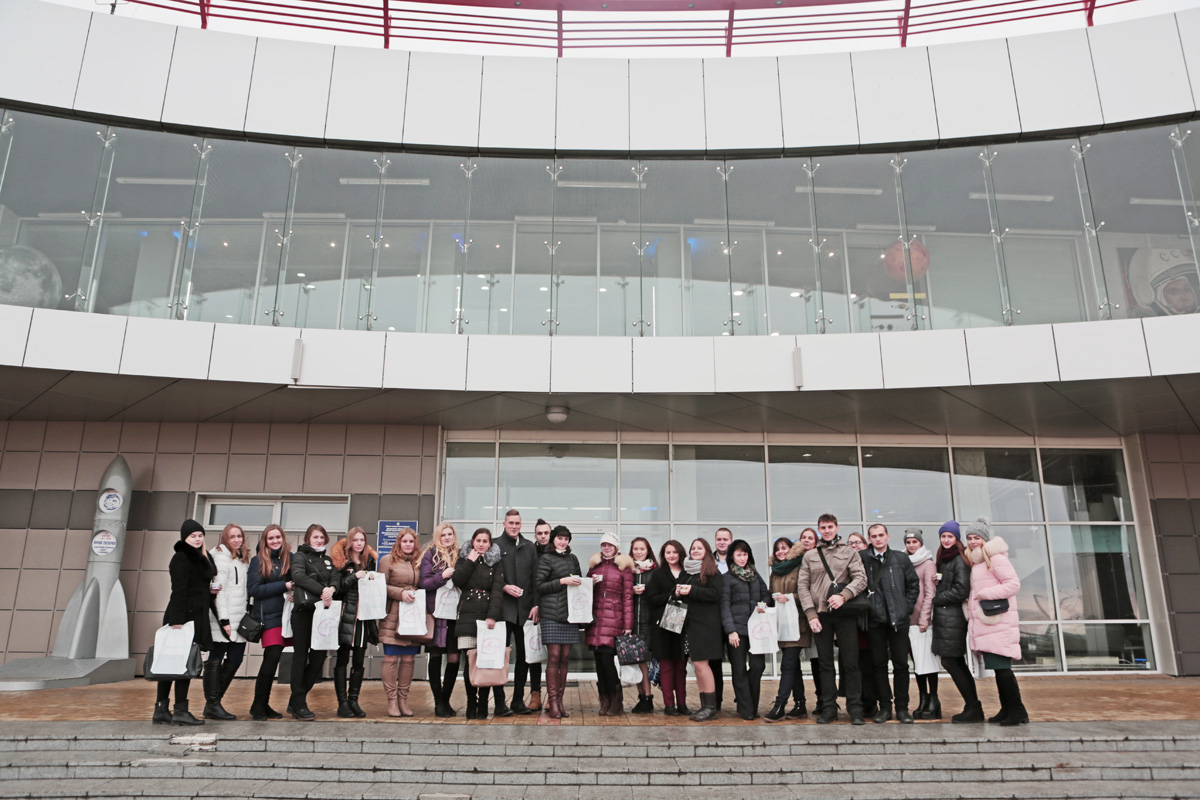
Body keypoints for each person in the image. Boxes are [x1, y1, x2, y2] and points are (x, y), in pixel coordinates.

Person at [798, 513, 867, 725]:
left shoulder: (849, 552)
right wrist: (811, 614)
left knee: (851, 662)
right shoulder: (810, 555)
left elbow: (861, 578)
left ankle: (855, 709)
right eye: (823, 527)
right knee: (825, 664)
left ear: (837, 527)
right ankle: (829, 708)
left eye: (830, 527)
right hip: (821, 616)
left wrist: (843, 595)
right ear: (819, 529)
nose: (827, 531)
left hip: (844, 614)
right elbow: (803, 586)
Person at [964, 517, 1028, 726]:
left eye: (976, 538)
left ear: (985, 539)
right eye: (969, 538)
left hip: (998, 623)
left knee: (1003, 670)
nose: (973, 541)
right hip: (989, 623)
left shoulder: (995, 558)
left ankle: (1017, 711)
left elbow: (1013, 584)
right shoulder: (978, 561)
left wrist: (984, 594)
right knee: (998, 670)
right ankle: (1007, 708)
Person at [153, 519, 217, 726]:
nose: (197, 539)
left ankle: (164, 710)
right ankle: (175, 710)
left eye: (200, 535)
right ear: (185, 538)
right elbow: (178, 590)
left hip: (194, 617)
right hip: (182, 618)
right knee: (177, 664)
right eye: (192, 536)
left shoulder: (203, 557)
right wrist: (177, 621)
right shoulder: (181, 557)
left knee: (178, 663)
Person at [862, 524, 919, 724]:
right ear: (869, 539)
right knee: (879, 665)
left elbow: (913, 585)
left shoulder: (900, 558)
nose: (878, 539)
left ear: (887, 536)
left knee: (901, 665)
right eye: (873, 536)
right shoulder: (863, 558)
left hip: (899, 621)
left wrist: (906, 607)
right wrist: (868, 608)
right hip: (875, 620)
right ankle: (885, 707)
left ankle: (902, 708)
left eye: (881, 535)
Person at [931, 520, 983, 723]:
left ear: (956, 538)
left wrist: (937, 598)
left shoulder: (958, 559)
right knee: (955, 661)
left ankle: (973, 706)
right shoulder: (944, 558)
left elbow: (962, 590)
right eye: (943, 536)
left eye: (950, 536)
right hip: (946, 617)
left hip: (953, 618)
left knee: (950, 661)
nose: (946, 540)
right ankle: (973, 707)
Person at [287, 523, 339, 721]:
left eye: (321, 537)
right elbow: (298, 576)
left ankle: (295, 699)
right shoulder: (300, 556)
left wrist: (332, 588)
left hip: (322, 614)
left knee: (318, 658)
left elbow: (335, 578)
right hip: (303, 612)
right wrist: (322, 590)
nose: (318, 540)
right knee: (300, 657)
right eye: (315, 537)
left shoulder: (327, 560)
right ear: (308, 538)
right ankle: (299, 704)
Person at [452, 528, 505, 720]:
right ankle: (471, 702)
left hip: (487, 617)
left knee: (485, 662)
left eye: (485, 541)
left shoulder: (495, 562)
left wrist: (492, 616)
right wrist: (470, 561)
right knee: (470, 662)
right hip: (467, 615)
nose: (481, 544)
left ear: (490, 544)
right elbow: (457, 580)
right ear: (473, 541)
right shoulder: (464, 559)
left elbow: (498, 590)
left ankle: (483, 702)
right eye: (478, 540)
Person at [534, 524, 582, 719]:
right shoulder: (546, 558)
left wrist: (585, 582)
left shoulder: (573, 559)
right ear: (553, 539)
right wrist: (562, 581)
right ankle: (552, 702)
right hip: (551, 614)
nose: (563, 542)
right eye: (560, 538)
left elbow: (578, 583)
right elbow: (539, 585)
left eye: (566, 538)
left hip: (570, 614)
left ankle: (560, 702)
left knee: (565, 657)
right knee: (553, 656)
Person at [720, 539, 771, 720]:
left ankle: (749, 703)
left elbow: (766, 594)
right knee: (739, 669)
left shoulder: (754, 575)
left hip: (756, 629)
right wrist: (730, 630)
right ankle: (747, 709)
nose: (742, 558)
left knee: (758, 666)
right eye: (739, 554)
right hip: (737, 631)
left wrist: (762, 605)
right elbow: (724, 605)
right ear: (732, 556)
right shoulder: (727, 578)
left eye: (745, 554)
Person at [330, 526, 378, 718]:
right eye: (356, 540)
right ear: (350, 542)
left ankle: (353, 701)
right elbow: (337, 587)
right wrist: (353, 577)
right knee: (342, 658)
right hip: (346, 615)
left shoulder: (369, 561)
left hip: (363, 616)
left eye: (362, 540)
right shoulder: (342, 561)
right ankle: (342, 703)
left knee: (359, 660)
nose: (359, 543)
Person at [764, 533, 813, 722]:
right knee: (793, 666)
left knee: (787, 664)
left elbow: (808, 592)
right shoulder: (775, 571)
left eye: (784, 548)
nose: (780, 552)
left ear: (791, 549)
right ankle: (800, 704)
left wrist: (790, 598)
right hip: (782, 623)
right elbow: (770, 593)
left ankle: (780, 705)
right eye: (777, 549)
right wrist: (763, 605)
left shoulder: (801, 566)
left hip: (798, 622)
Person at [246, 524, 292, 721]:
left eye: (278, 537)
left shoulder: (288, 559)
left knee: (274, 660)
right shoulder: (258, 560)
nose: (275, 541)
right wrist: (284, 585)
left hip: (286, 617)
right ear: (265, 541)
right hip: (269, 618)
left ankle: (263, 704)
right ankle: (258, 704)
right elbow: (254, 590)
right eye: (271, 538)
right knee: (271, 659)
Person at [495, 508, 538, 716]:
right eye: (510, 523)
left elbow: (536, 579)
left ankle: (518, 700)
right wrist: (504, 587)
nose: (514, 526)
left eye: (517, 523)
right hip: (502, 610)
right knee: (500, 656)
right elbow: (489, 575)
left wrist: (536, 605)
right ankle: (499, 702)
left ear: (521, 525)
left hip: (525, 611)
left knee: (524, 656)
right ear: (504, 524)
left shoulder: (529, 547)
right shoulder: (495, 545)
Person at [586, 531, 634, 716]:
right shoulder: (594, 567)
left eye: (610, 545)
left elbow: (628, 598)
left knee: (607, 661)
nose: (607, 548)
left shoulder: (624, 568)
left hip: (614, 619)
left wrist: (628, 625)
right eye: (604, 545)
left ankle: (616, 700)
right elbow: (584, 593)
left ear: (616, 547)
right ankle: (604, 700)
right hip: (596, 620)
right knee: (598, 662)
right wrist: (590, 584)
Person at [204, 523, 249, 721]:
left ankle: (212, 704)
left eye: (239, 536)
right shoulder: (221, 557)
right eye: (232, 537)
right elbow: (218, 590)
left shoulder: (241, 558)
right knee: (215, 659)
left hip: (239, 619)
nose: (237, 540)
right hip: (224, 619)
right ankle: (213, 704)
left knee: (235, 659)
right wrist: (224, 620)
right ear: (225, 538)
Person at [378, 527, 423, 717]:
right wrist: (400, 593)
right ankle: (392, 701)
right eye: (404, 541)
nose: (408, 544)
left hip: (413, 616)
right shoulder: (387, 560)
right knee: (391, 658)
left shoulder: (419, 561)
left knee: (408, 659)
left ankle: (403, 700)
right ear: (398, 542)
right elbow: (380, 586)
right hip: (393, 616)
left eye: (411, 541)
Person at [419, 522, 461, 718]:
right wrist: (442, 576)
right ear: (438, 537)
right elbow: (424, 583)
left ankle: (446, 699)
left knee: (454, 657)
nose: (447, 537)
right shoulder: (430, 555)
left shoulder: (459, 556)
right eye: (443, 535)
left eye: (449, 534)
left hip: (455, 615)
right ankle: (438, 701)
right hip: (437, 614)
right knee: (435, 656)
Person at [680, 538, 724, 722]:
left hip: (706, 626)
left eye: (699, 548)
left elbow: (715, 594)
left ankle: (711, 708)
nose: (695, 550)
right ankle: (704, 705)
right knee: (697, 665)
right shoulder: (687, 572)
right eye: (693, 548)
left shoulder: (713, 572)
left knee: (702, 664)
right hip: (691, 626)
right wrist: (677, 591)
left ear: (706, 551)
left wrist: (692, 591)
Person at [645, 540, 689, 716]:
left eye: (674, 552)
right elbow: (651, 599)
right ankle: (669, 704)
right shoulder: (658, 574)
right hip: (664, 626)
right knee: (667, 667)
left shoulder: (688, 572)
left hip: (685, 625)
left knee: (681, 667)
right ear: (663, 555)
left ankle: (682, 703)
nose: (671, 555)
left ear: (680, 554)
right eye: (668, 552)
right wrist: (672, 594)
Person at [905, 529, 941, 719]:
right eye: (908, 542)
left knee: (928, 662)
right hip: (908, 621)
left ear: (920, 543)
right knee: (918, 663)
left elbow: (930, 593)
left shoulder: (928, 564)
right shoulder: (904, 562)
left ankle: (934, 700)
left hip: (923, 622)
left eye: (915, 542)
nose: (911, 545)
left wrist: (924, 619)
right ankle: (923, 699)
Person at [843, 531, 877, 718]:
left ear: (865, 545)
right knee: (852, 664)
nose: (854, 546)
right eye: (850, 543)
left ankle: (870, 702)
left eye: (857, 542)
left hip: (869, 620)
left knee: (869, 664)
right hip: (851, 620)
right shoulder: (845, 564)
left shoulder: (871, 563)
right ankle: (857, 701)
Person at [628, 536, 658, 714]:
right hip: (631, 623)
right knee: (636, 660)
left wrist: (648, 592)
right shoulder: (627, 570)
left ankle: (647, 697)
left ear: (648, 551)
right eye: (636, 549)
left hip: (649, 623)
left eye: (642, 549)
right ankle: (642, 697)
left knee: (644, 662)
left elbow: (660, 595)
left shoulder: (655, 571)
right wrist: (630, 591)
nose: (639, 552)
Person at [709, 527, 733, 711]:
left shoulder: (739, 559)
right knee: (714, 662)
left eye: (725, 539)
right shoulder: (707, 562)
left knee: (737, 662)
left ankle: (743, 699)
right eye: (719, 539)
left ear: (731, 541)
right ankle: (715, 702)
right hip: (713, 619)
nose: (722, 542)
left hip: (734, 619)